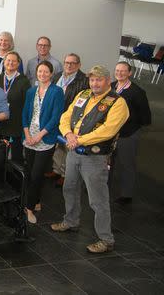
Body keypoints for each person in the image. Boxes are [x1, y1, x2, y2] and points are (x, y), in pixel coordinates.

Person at [51, 65, 129, 254]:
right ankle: (71, 221)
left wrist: (79, 140)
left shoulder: (117, 103)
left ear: (107, 80)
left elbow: (108, 130)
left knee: (98, 200)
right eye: (92, 79)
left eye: (99, 79)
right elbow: (66, 116)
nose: (94, 83)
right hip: (73, 153)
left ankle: (106, 239)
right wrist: (68, 133)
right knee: (69, 188)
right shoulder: (83, 94)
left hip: (95, 157)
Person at [22, 61, 64, 223]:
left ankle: (29, 208)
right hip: (29, 137)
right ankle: (36, 201)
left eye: (46, 72)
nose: (42, 74)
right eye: (40, 71)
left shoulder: (57, 92)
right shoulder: (31, 91)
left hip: (45, 138)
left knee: (37, 174)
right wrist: (27, 134)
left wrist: (39, 136)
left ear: (51, 74)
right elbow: (25, 113)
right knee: (29, 172)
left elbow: (56, 117)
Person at [110, 62, 151, 204]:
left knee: (127, 164)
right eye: (117, 70)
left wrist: (128, 122)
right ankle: (104, 186)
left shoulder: (137, 92)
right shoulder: (111, 86)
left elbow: (146, 118)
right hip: (110, 133)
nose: (119, 73)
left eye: (123, 71)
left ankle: (126, 194)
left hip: (128, 134)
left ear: (130, 73)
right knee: (108, 162)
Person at [48, 53, 89, 185]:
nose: (69, 65)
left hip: (71, 120)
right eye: (66, 62)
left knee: (67, 147)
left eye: (72, 63)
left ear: (79, 65)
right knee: (58, 146)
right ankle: (56, 170)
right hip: (56, 117)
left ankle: (65, 175)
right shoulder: (58, 75)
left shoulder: (84, 81)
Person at [0, 51, 32, 163]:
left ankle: (14, 179)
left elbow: (27, 105)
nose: (10, 63)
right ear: (4, 62)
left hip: (15, 125)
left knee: (15, 156)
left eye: (14, 61)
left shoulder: (24, 81)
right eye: (8, 60)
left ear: (18, 63)